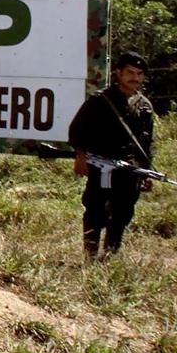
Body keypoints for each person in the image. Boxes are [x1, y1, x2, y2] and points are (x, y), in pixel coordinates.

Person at [68, 51, 154, 261]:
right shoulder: (100, 100)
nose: (135, 77)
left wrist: (147, 171)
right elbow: (76, 130)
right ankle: (89, 256)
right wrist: (80, 158)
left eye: (139, 73)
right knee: (96, 210)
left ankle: (109, 257)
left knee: (123, 213)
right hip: (102, 167)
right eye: (130, 72)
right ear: (118, 72)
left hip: (130, 169)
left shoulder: (144, 106)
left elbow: (147, 142)